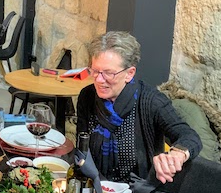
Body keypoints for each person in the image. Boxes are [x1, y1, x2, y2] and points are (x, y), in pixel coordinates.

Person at [77, 31, 202, 184]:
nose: (99, 80)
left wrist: (177, 154)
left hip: (138, 191)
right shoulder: (87, 96)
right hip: (94, 184)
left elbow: (189, 136)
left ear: (129, 73)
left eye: (109, 73)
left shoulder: (151, 102)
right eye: (95, 71)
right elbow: (82, 149)